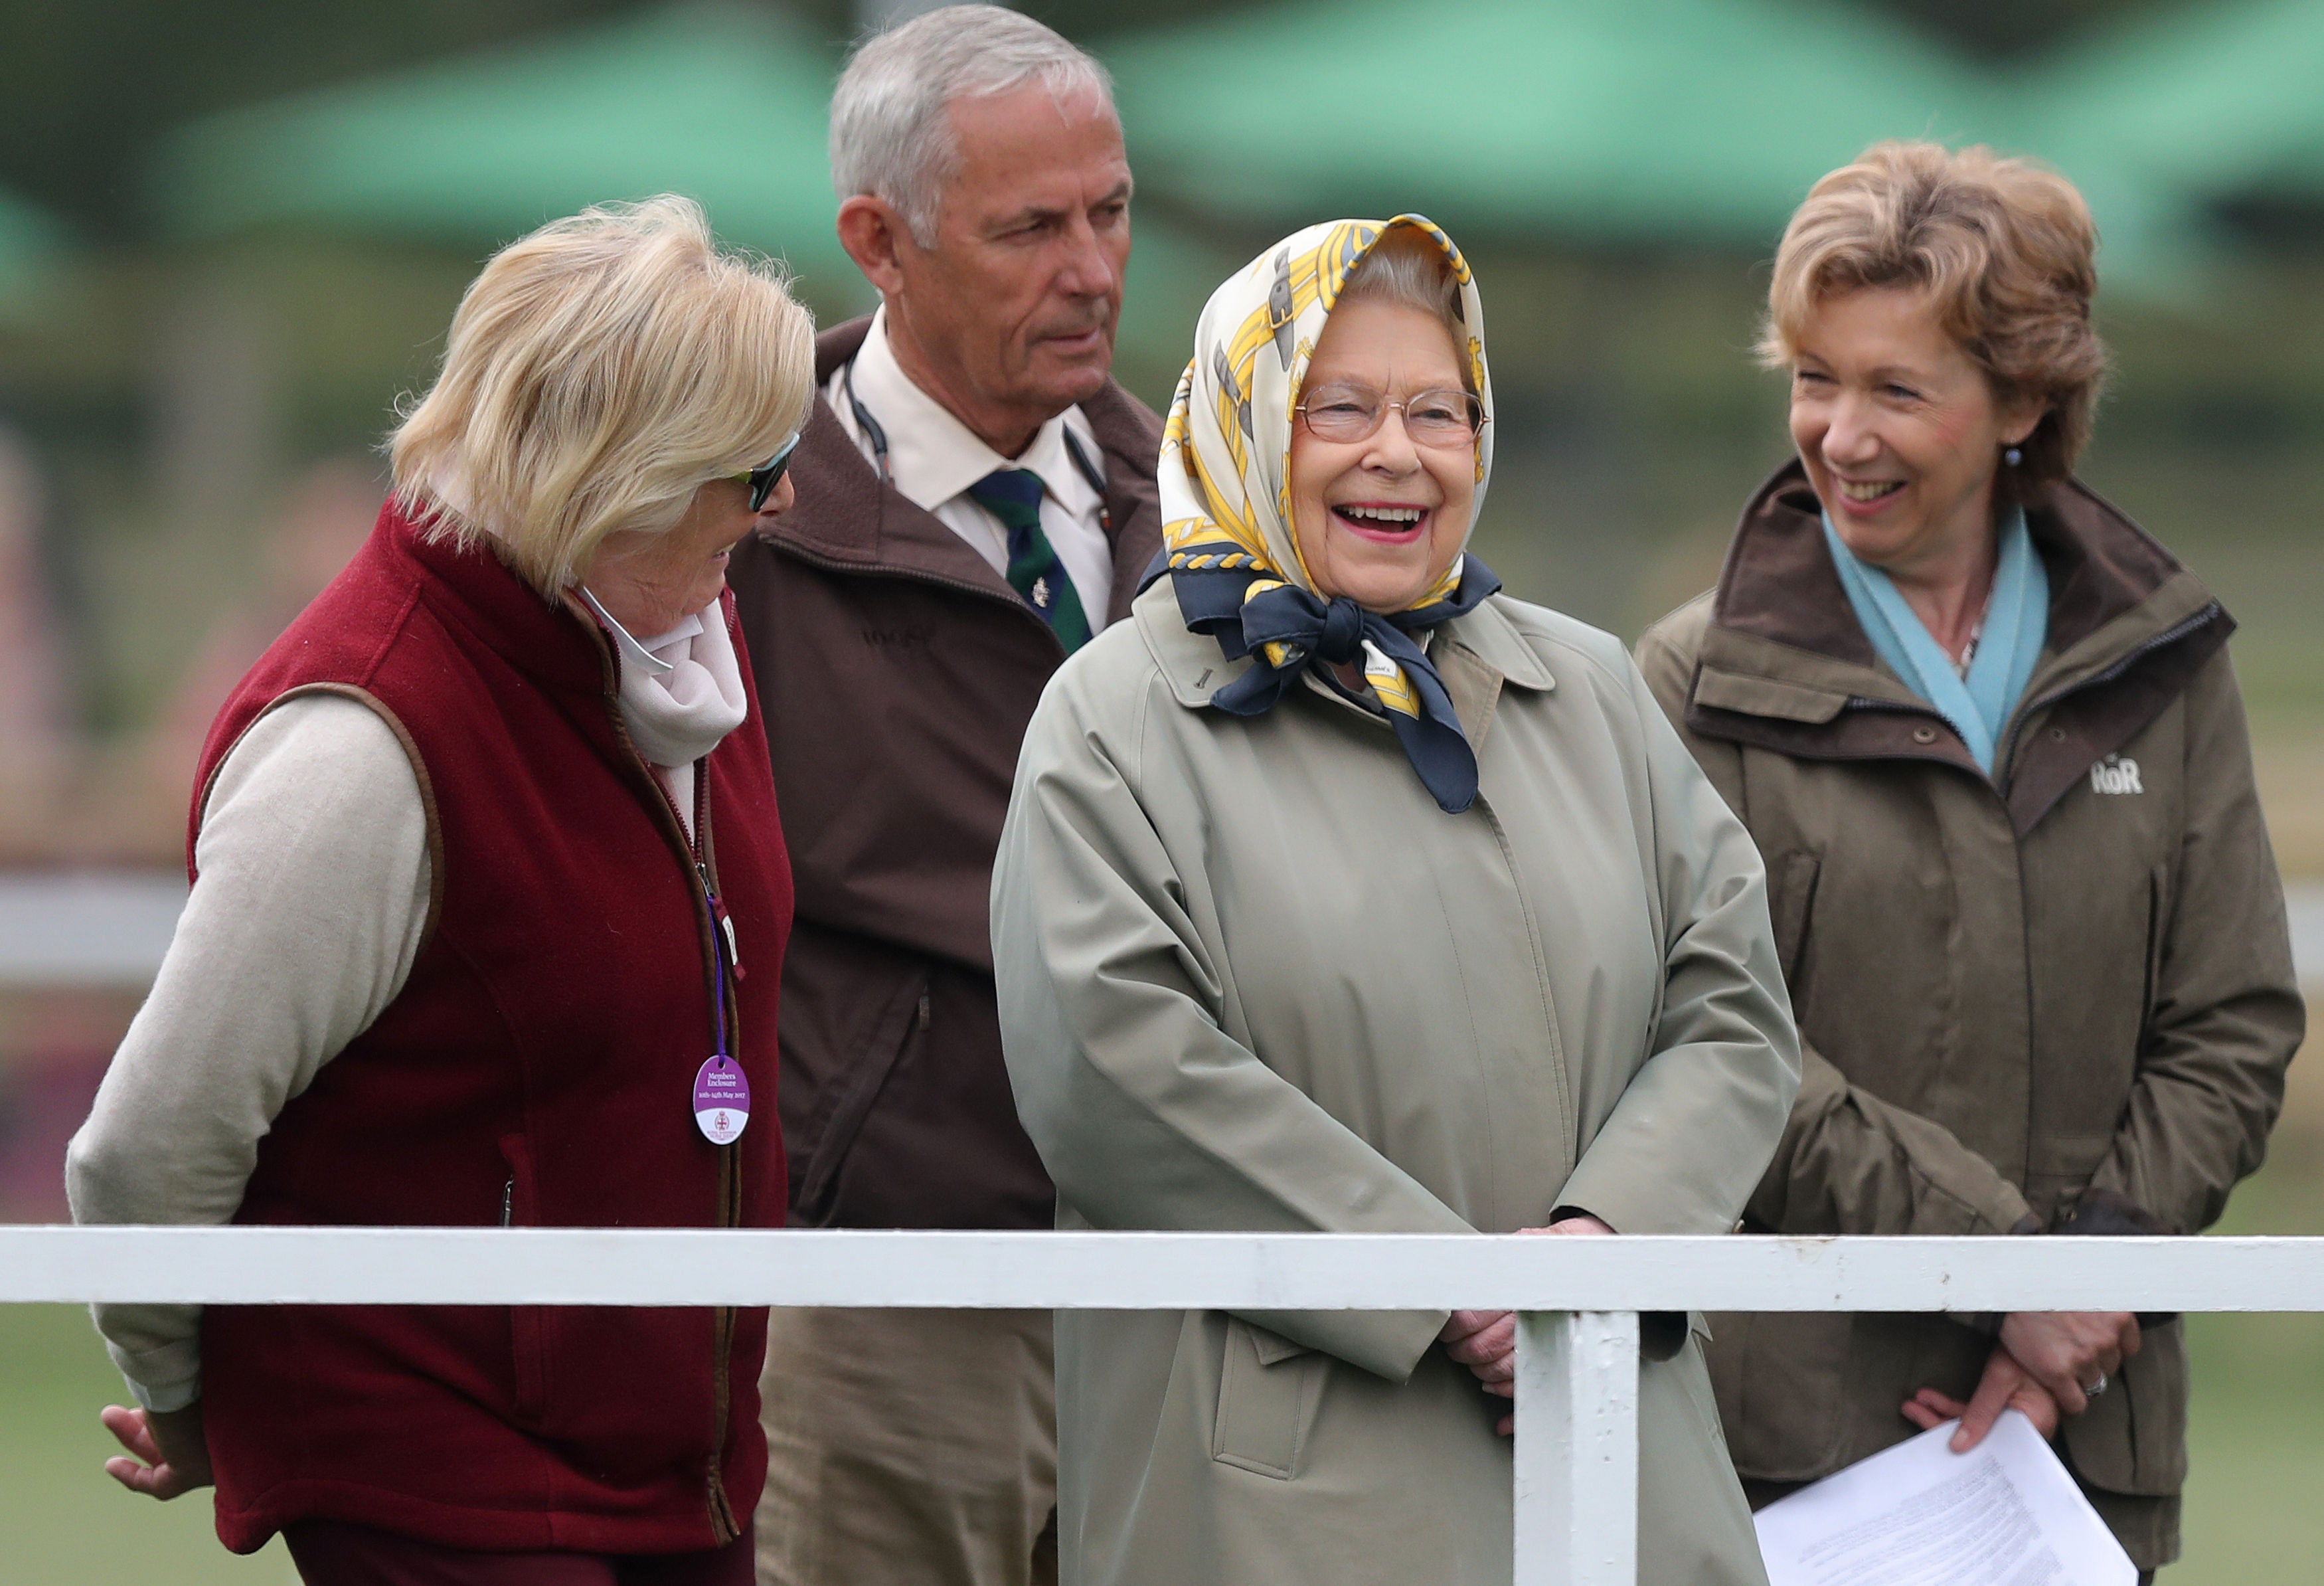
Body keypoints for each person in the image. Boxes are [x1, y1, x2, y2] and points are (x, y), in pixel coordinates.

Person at [989, 215, 1801, 1586]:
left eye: (1440, 409)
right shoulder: (1114, 717)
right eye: (1339, 406)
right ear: (1244, 418)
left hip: (1610, 1464)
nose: (1398, 451)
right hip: (1274, 1499)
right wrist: (1448, 1285)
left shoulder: (1591, 689)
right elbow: (1112, 1065)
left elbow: (1730, 1006)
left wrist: (1602, 1247)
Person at [65, 195, 813, 1584]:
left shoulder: (679, 635)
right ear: (623, 475)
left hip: (669, 1466)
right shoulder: (361, 744)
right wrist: (188, 1389)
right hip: (437, 1469)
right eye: (753, 467)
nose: (784, 501)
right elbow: (147, 1146)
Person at [1636, 141, 2303, 1581]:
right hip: (1780, 1458)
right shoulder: (1693, 685)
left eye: (1898, 389)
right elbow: (1708, 1040)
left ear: (2021, 402)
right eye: (1815, 377)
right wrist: (2005, 1268)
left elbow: (2231, 1023)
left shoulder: (2163, 665)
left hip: (2080, 1445)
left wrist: (2086, 1292)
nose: (1840, 435)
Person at [722, 9, 1162, 1585]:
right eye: (1030, 228)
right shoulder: (730, 533)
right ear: (877, 243)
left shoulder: (1217, 517)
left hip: (1189, 1301)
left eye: (1108, 211)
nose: (1093, 268)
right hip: (877, 1311)